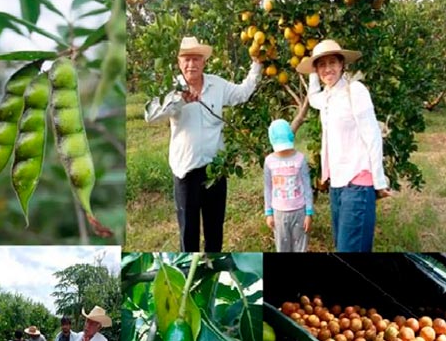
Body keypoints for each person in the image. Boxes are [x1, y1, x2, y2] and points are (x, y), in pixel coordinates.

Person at [145, 36, 262, 251]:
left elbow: (242, 94)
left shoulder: (217, 84)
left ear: (204, 62)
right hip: (186, 171)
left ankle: (212, 271)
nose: (191, 64)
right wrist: (179, 100)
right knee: (188, 233)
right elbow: (150, 115)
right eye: (186, 59)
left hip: (215, 170)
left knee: (214, 230)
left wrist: (256, 65)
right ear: (179, 63)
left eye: (196, 59)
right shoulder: (171, 88)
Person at [297, 39, 390, 252]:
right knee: (343, 246)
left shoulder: (355, 90)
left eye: (332, 62)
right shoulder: (327, 96)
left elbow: (373, 135)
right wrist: (312, 70)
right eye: (321, 64)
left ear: (342, 65)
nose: (327, 69)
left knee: (349, 249)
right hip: (337, 185)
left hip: (358, 182)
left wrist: (379, 181)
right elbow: (312, 99)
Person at [263, 119, 313, 252]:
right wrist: (269, 213)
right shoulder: (269, 161)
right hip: (278, 213)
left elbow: (307, 187)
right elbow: (268, 188)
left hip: (299, 211)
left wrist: (309, 213)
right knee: (282, 247)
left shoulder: (300, 159)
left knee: (300, 247)